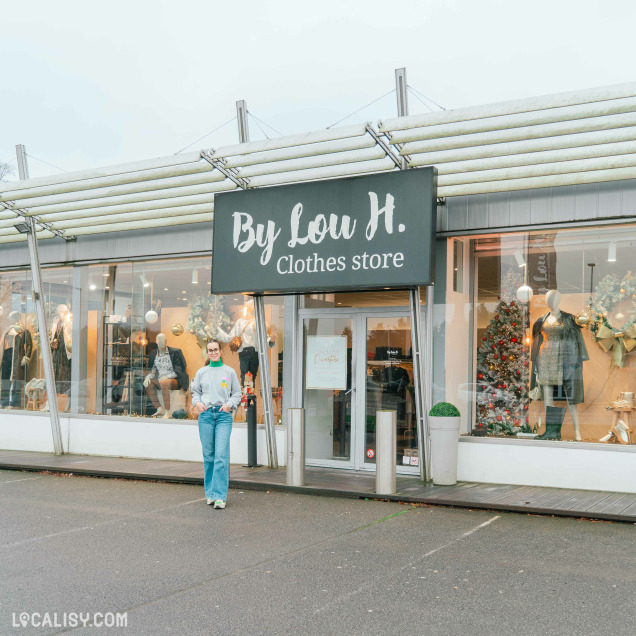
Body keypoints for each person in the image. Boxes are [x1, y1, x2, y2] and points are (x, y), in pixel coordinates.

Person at [191, 339, 242, 509]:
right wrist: (197, 404)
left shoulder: (229, 372)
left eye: (215, 350)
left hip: (222, 416)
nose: (213, 352)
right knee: (209, 456)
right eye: (210, 350)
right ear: (207, 353)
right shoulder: (201, 372)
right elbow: (195, 392)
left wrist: (229, 405)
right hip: (205, 416)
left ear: (221, 351)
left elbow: (237, 392)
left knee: (221, 455)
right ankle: (211, 494)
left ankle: (220, 496)